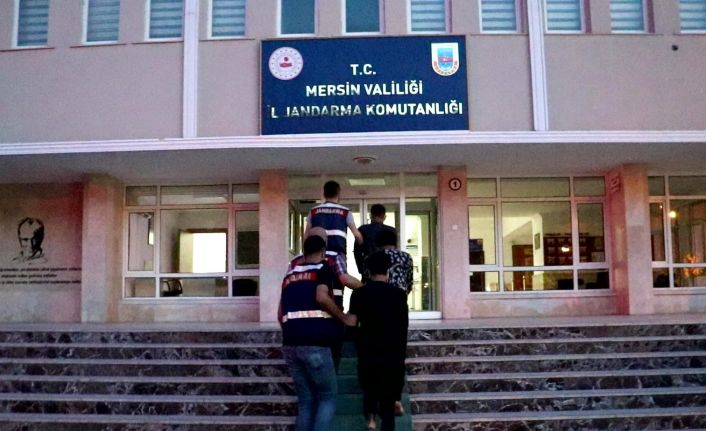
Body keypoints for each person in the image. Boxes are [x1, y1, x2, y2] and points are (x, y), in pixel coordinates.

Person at [279, 235, 356, 431]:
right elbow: (322, 297)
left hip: (290, 344)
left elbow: (280, 313)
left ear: (304, 253)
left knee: (305, 401)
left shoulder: (289, 276)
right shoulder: (323, 269)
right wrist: (344, 318)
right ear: (323, 253)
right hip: (316, 343)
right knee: (327, 397)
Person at [348, 251, 409, 431]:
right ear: (388, 270)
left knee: (370, 388)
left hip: (368, 350)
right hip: (392, 353)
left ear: (368, 271)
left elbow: (352, 323)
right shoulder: (399, 295)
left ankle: (371, 418)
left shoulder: (359, 294)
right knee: (388, 407)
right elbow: (403, 327)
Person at [289, 227, 362, 369]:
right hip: (328, 324)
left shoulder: (295, 262)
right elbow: (344, 279)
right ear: (325, 242)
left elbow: (287, 290)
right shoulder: (334, 257)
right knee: (329, 372)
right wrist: (368, 288)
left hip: (296, 330)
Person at [305, 180, 363, 256]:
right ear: (338, 194)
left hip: (317, 254)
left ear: (324, 194)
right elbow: (357, 235)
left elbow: (306, 235)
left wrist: (306, 253)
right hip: (338, 253)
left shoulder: (313, 211)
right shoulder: (345, 212)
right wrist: (362, 244)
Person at [354, 204, 397, 282]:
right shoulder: (391, 231)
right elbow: (395, 253)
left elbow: (357, 252)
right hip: (387, 272)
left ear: (371, 215)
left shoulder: (363, 229)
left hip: (369, 270)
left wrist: (361, 270)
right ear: (384, 216)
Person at [376, 229, 414, 296]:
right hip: (400, 295)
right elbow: (409, 281)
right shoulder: (406, 257)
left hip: (380, 294)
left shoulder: (376, 256)